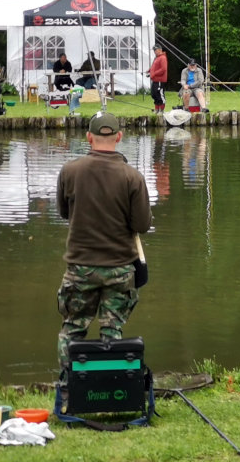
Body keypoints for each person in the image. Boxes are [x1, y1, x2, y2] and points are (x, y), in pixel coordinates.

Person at [55, 112, 153, 384]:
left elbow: (64, 213)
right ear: (119, 137)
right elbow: (142, 225)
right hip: (120, 269)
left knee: (72, 329)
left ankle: (67, 387)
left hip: (80, 268)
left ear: (89, 137)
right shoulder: (132, 177)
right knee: (113, 331)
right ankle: (114, 387)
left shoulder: (69, 171)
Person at [147, 45, 167, 114]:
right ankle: (157, 109)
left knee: (159, 95)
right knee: (154, 94)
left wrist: (154, 73)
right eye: (154, 50)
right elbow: (154, 67)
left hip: (160, 80)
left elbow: (163, 69)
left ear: (160, 50)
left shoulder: (163, 58)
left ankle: (161, 110)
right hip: (155, 80)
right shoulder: (157, 58)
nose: (154, 52)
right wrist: (149, 71)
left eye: (155, 50)